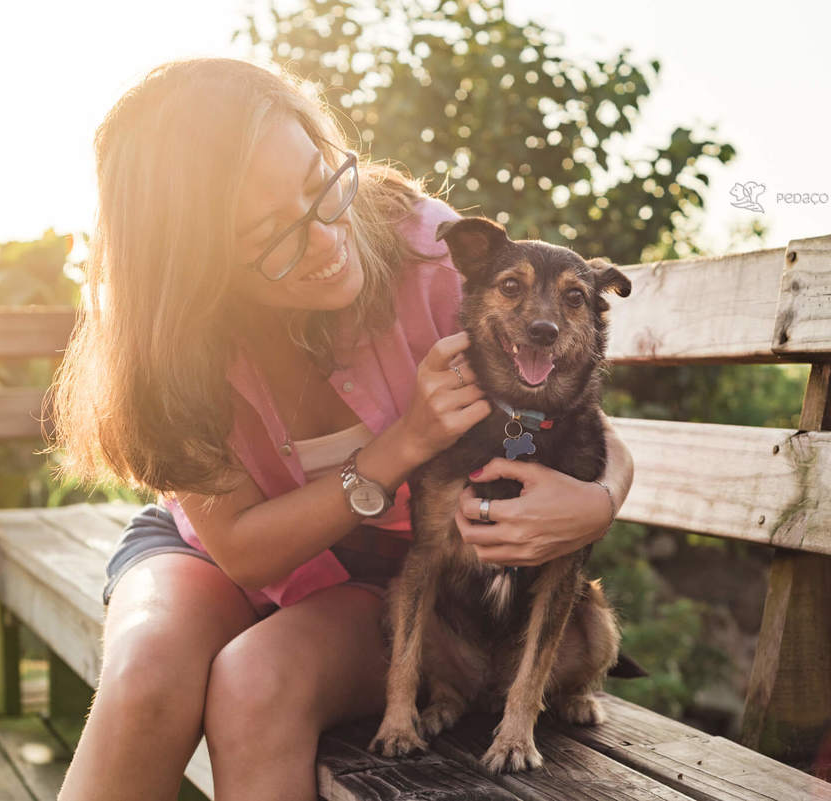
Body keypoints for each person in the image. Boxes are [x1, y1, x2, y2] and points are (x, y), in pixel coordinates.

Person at [49, 58, 635, 801]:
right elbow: (240, 549)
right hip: (220, 554)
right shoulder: (172, 348)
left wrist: (602, 497)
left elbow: (566, 409)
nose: (328, 236)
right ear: (196, 267)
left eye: (320, 179)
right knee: (142, 680)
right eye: (272, 235)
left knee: (254, 682)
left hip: (386, 574)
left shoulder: (429, 254)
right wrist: (402, 445)